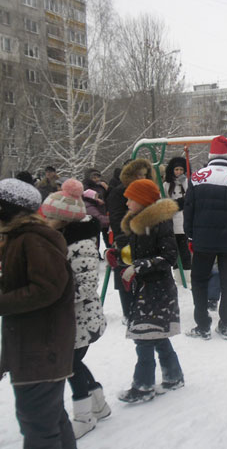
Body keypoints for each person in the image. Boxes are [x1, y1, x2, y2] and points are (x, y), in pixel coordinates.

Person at [0, 178, 77, 448]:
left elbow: (47, 288)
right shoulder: (18, 239)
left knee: (39, 427)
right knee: (50, 420)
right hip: (36, 346)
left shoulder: (32, 240)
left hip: (41, 348)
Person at [41, 178, 109, 439]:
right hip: (71, 318)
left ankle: (84, 416)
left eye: (50, 217)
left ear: (63, 219)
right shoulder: (60, 239)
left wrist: (53, 297)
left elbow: (86, 285)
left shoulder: (80, 244)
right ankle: (99, 404)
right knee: (73, 363)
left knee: (69, 364)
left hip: (80, 318)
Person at [109, 178, 184, 403]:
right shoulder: (135, 222)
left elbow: (169, 257)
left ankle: (143, 387)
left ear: (142, 201)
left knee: (144, 338)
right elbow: (136, 251)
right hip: (146, 287)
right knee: (157, 336)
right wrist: (119, 255)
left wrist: (138, 268)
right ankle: (173, 376)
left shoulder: (159, 223)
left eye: (131, 198)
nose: (127, 201)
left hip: (157, 289)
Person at [184, 136, 227, 340]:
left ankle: (202, 324)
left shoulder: (198, 177)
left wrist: (190, 234)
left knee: (200, 281)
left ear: (211, 155)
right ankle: (226, 324)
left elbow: (189, 209)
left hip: (203, 239)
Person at [106, 158, 155, 322]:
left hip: (146, 238)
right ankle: (128, 312)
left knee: (146, 273)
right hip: (126, 238)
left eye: (144, 174)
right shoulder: (119, 192)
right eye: (139, 174)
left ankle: (146, 306)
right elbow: (116, 217)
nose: (142, 177)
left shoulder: (149, 190)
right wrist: (122, 238)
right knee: (124, 274)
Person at [163, 156, 192, 276]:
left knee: (185, 251)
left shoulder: (187, 182)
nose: (179, 172)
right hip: (172, 222)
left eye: (181, 169)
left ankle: (187, 275)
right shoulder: (166, 184)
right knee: (174, 251)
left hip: (184, 222)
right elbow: (163, 201)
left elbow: (190, 198)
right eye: (176, 170)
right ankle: (178, 275)